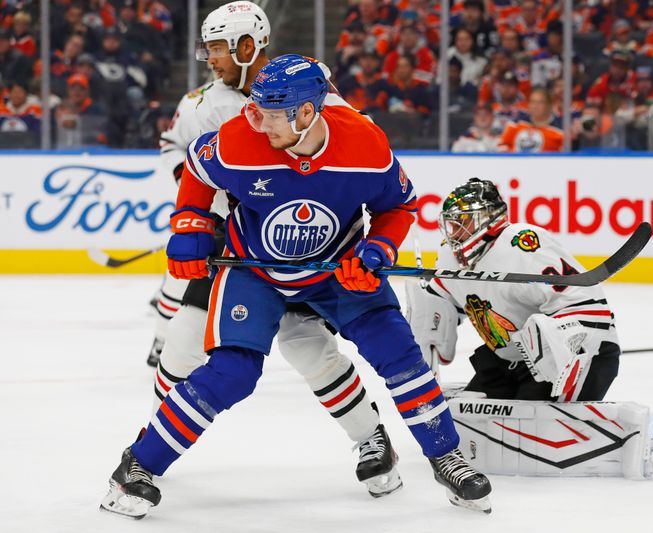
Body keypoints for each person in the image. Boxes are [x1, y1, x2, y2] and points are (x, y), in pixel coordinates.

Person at [101, 54, 492, 518]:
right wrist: (190, 226)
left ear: (307, 113)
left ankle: (446, 456)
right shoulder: (240, 139)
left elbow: (399, 207)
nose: (258, 123)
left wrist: (376, 253)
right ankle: (136, 467)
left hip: (336, 269)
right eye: (256, 110)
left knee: (399, 354)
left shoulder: (364, 143)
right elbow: (197, 168)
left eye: (270, 114)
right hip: (256, 271)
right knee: (232, 373)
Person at [135, 0, 403, 506]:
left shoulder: (309, 83)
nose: (210, 58)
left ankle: (372, 439)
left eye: (217, 47)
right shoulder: (200, 105)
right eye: (208, 47)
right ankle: (155, 440)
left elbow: (348, 134)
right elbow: (179, 153)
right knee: (181, 345)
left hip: (304, 241)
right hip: (230, 244)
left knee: (309, 347)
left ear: (246, 46)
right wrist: (198, 213)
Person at [405, 178, 653, 479]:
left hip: (583, 353)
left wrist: (558, 342)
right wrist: (427, 328)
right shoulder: (448, 256)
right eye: (452, 224)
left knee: (533, 421)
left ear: (490, 219)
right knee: (479, 422)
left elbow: (589, 307)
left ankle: (644, 446)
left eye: (464, 222)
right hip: (509, 360)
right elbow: (444, 304)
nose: (455, 233)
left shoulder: (522, 243)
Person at [498, 88, 564, 152]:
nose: (535, 106)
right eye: (533, 102)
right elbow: (502, 146)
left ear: (549, 105)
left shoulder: (560, 129)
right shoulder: (517, 122)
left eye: (540, 102)